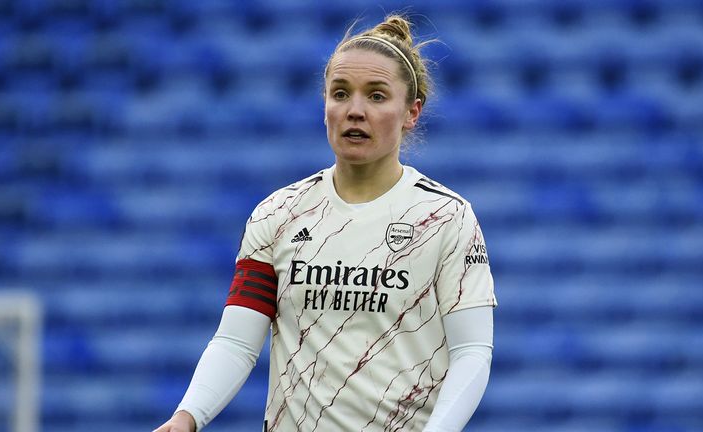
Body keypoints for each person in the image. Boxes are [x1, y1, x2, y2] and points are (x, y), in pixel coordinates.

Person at [154, 13, 497, 432]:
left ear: (412, 112)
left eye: (376, 96)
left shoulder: (447, 218)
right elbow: (237, 342)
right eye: (340, 94)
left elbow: (472, 351)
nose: (354, 111)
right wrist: (188, 416)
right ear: (324, 106)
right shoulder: (278, 214)